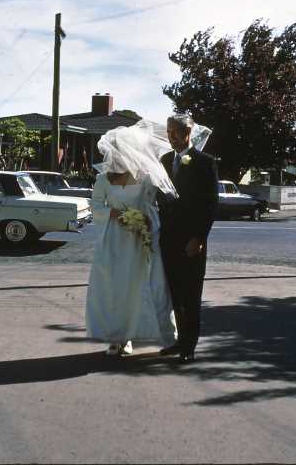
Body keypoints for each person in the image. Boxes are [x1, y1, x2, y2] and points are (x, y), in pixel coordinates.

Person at [85, 121, 177, 356]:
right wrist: (115, 214)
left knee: (139, 287)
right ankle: (117, 337)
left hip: (139, 240)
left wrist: (144, 220)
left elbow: (152, 206)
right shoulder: (104, 179)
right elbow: (95, 205)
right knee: (114, 288)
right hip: (113, 240)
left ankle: (143, 335)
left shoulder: (145, 177)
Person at [158, 114, 218, 364]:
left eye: (175, 131)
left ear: (188, 132)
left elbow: (210, 204)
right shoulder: (164, 160)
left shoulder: (205, 162)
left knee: (191, 295)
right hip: (167, 239)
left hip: (191, 241)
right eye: (168, 131)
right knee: (174, 293)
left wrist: (199, 237)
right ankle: (179, 340)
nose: (171, 136)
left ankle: (189, 346)